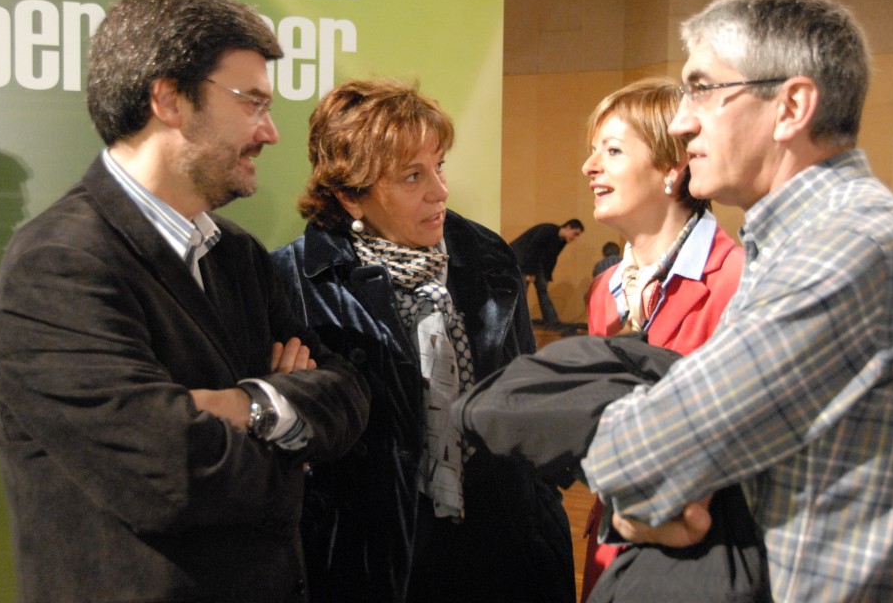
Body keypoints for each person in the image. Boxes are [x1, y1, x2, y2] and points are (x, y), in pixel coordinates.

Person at [0, 0, 370, 603]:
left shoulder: (237, 254)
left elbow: (345, 392)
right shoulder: (57, 265)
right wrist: (290, 435)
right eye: (251, 102)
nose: (270, 132)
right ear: (168, 100)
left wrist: (248, 406)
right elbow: (172, 476)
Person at [581, 0, 893, 601]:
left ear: (791, 107)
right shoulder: (804, 240)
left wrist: (633, 473)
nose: (682, 120)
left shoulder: (848, 248)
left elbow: (641, 457)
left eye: (703, 89)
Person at [271, 78, 573, 603]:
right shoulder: (294, 280)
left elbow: (525, 392)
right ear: (350, 194)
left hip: (501, 542)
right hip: (377, 557)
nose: (440, 191)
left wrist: (542, 503)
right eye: (413, 176)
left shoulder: (486, 256)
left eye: (439, 166)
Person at [579, 77, 744, 600]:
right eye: (593, 151)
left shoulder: (738, 281)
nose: (589, 167)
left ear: (673, 166)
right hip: (614, 547)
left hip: (704, 555)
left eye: (612, 150)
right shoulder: (605, 290)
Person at [509, 218, 584, 328]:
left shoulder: (561, 241)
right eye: (575, 234)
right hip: (519, 259)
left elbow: (551, 259)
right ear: (568, 227)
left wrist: (547, 277)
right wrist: (529, 272)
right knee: (522, 291)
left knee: (542, 289)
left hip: (534, 262)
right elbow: (531, 248)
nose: (575, 238)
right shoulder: (548, 230)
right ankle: (515, 324)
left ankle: (552, 322)